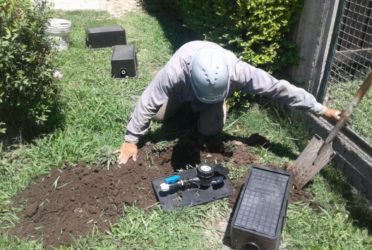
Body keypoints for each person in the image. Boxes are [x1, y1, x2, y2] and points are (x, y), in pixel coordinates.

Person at [118, 40, 341, 164]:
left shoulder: (238, 71)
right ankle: (191, 104)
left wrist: (322, 110)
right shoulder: (175, 71)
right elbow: (148, 99)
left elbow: (278, 88)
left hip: (209, 100)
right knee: (158, 114)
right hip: (182, 92)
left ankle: (216, 106)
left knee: (209, 130)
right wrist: (131, 139)